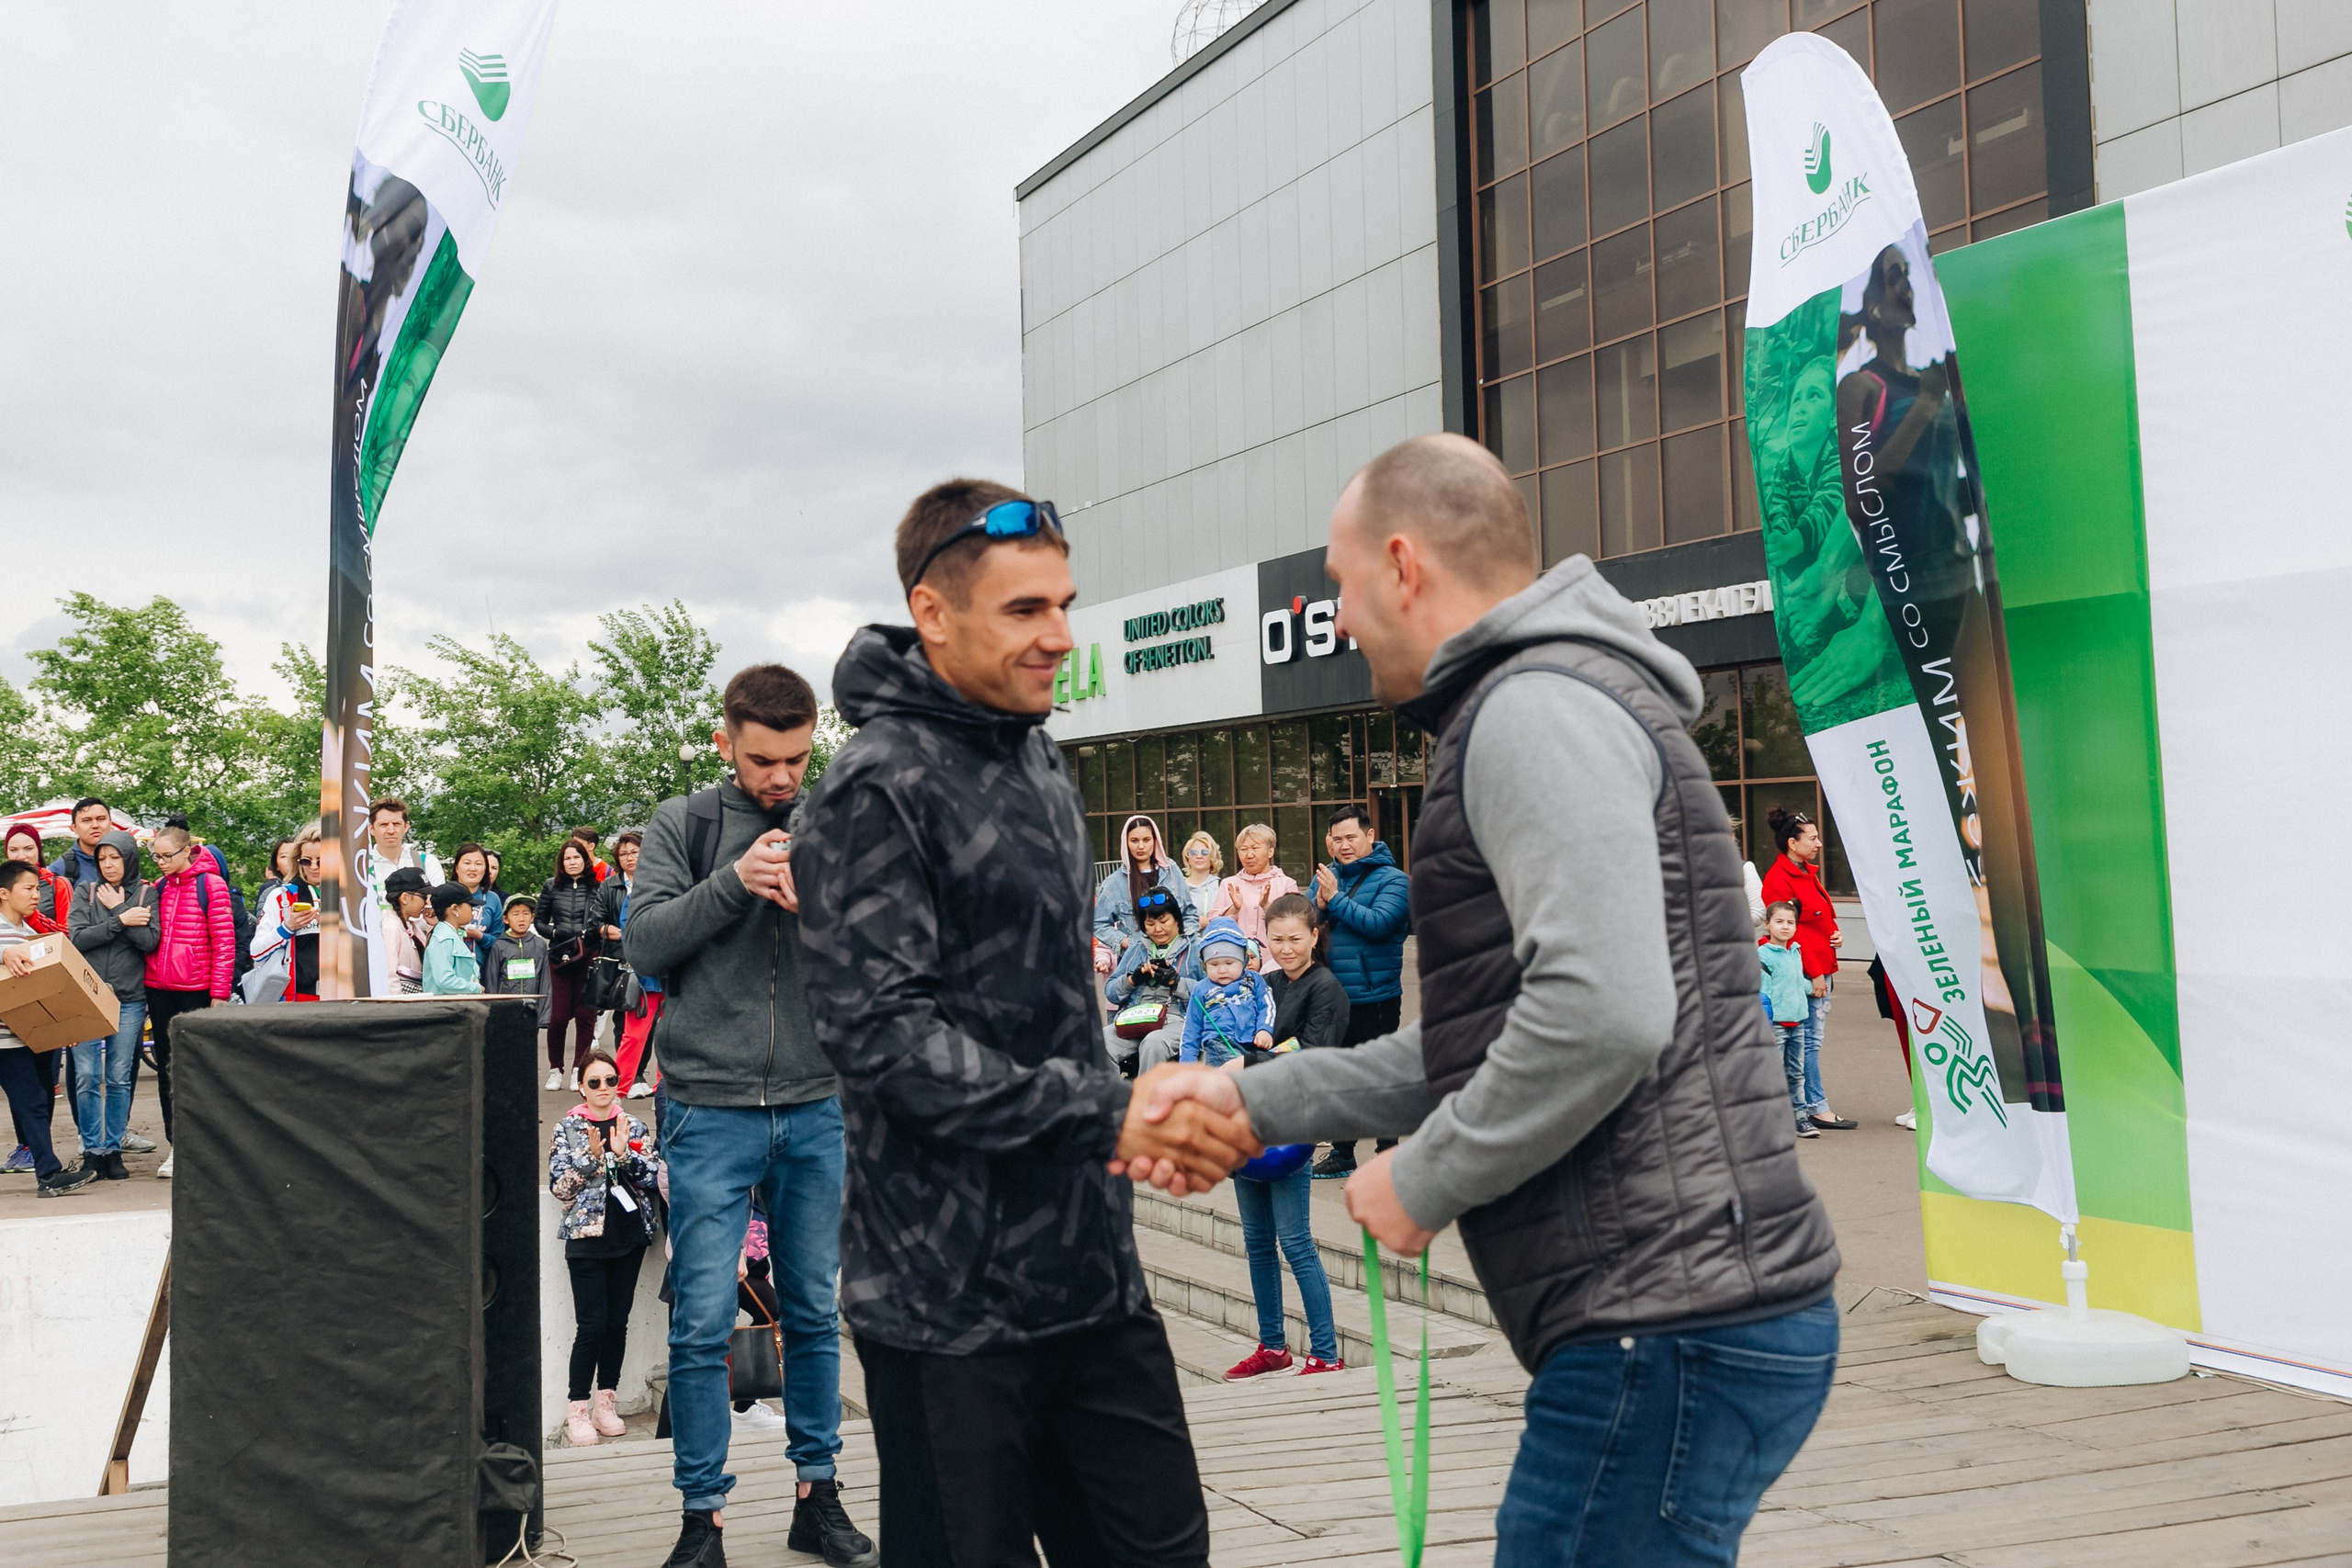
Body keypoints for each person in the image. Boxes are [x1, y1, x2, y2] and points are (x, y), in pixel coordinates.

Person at [1135, 434, 1840, 1566]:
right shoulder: (1541, 702)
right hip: (1679, 1312)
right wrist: (1251, 1099)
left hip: (1668, 1317)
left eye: (1341, 580)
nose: (1341, 616)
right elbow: (1485, 1043)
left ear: (1403, 566)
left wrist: (1426, 1175)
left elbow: (1602, 1013)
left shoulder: (1531, 711)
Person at [795, 479, 1241, 1568]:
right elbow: (887, 1043)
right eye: (1025, 611)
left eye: (1064, 604)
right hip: (946, 1308)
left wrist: (1121, 1127)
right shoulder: (872, 788)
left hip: (1091, 1277)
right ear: (934, 614)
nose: (1060, 637)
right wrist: (1115, 1114)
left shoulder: (1042, 759)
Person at [623, 661, 876, 1568]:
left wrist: (833, 910)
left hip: (815, 1104)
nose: (781, 777)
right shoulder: (683, 825)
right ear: (726, 744)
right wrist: (735, 881)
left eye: (798, 759)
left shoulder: (839, 821)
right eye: (764, 759)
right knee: (698, 1324)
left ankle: (820, 1497)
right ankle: (704, 1521)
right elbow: (646, 943)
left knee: (812, 1312)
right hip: (707, 1108)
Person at [1221, 893, 1346, 1383]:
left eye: (1296, 938)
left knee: (1295, 1242)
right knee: (1256, 1242)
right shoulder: (1263, 984)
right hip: (1248, 1126)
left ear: (1315, 936)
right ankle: (1273, 1346)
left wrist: (1247, 1061)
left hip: (1293, 1128)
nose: (1287, 948)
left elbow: (1315, 1054)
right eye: (1276, 939)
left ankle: (1326, 1352)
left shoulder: (1326, 989)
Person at [548, 1047, 657, 1449]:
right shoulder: (568, 1128)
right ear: (582, 1087)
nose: (603, 1088)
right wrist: (592, 1160)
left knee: (617, 1325)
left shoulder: (633, 1124)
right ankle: (577, 1407)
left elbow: (652, 1176)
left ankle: (605, 1403)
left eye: (610, 1080)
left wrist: (625, 1153)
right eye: (594, 1082)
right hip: (586, 1239)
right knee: (591, 1326)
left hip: (628, 1237)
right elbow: (560, 1187)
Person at [1307, 802, 1411, 1178]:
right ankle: (1342, 1153)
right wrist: (1318, 906)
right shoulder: (1325, 877)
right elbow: (1304, 927)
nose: (1344, 845)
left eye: (1351, 836)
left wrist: (1334, 900)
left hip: (1375, 996)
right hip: (1331, 996)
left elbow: (1381, 924)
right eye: (1337, 839)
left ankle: (1387, 1154)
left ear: (1370, 836)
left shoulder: (1395, 880)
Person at [0, 863, 98, 1198]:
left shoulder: (31, 935)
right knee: (32, 1102)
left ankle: (48, 1173)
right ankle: (49, 1173)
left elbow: (47, 990)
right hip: (3, 1040)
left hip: (26, 1037)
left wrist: (62, 1025)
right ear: (4, 894)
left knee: (37, 1100)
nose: (35, 895)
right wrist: (3, 952)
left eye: (37, 889)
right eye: (27, 888)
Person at [143, 824, 234, 1179]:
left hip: (196, 988)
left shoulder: (210, 884)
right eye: (157, 856)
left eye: (167, 856)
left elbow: (225, 941)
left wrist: (219, 993)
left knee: (197, 1068)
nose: (162, 863)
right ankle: (176, 1145)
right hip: (159, 987)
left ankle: (206, 1145)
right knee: (167, 1069)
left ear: (186, 851)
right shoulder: (160, 887)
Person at [67, 830, 157, 1179]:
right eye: (102, 858)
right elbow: (77, 940)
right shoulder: (85, 892)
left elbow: (149, 941)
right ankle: (93, 1149)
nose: (108, 864)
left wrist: (119, 907)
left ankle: (113, 1148)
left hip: (130, 998)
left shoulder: (147, 893)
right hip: (87, 996)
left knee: (119, 1077)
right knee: (87, 1075)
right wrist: (121, 920)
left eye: (115, 857)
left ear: (128, 858)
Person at [1758, 807, 1853, 1132]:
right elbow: (1787, 932)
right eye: (1812, 838)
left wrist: (1834, 935)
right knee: (1807, 1041)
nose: (1819, 844)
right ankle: (1814, 1107)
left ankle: (1803, 1104)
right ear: (1791, 843)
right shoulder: (1779, 879)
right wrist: (1813, 973)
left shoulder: (1804, 872)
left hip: (1819, 966)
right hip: (1806, 972)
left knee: (1809, 1041)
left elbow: (1815, 919)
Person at [1102, 887, 1200, 1078]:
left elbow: (1211, 993)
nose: (1158, 929)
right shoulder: (1137, 947)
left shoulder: (1195, 947)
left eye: (1164, 921)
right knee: (1100, 1041)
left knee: (1153, 1042)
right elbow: (1111, 992)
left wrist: (1176, 982)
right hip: (1137, 1018)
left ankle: (1147, 1103)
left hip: (1176, 1020)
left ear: (1177, 919)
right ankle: (1113, 1101)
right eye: (1150, 923)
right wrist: (1133, 979)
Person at [356, 799, 443, 998]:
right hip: (378, 948)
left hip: (420, 942)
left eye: (396, 824)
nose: (390, 830)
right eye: (383, 825)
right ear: (371, 829)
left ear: (406, 827)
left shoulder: (425, 861)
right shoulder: (362, 866)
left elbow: (438, 906)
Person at [537, 840, 602, 1091]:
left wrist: (590, 934)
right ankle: (556, 1069)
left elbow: (601, 919)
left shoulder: (598, 887)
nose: (572, 862)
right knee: (558, 1017)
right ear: (561, 862)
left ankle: (579, 1069)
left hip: (588, 954)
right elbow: (540, 921)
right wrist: (555, 931)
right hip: (561, 956)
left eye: (577, 857)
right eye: (567, 858)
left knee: (586, 1016)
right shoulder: (551, 886)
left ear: (585, 860)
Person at [1092, 813, 1197, 960]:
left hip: (1176, 958)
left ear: (1155, 841)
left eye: (1146, 840)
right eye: (1134, 840)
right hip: (1136, 962)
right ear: (1126, 843)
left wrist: (1185, 939)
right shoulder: (1114, 882)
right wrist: (1124, 941)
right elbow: (1098, 923)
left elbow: (1189, 912)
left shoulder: (1171, 871)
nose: (1141, 846)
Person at [1180, 918, 1273, 1066]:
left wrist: (1264, 1029)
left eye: (1229, 963)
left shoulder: (1254, 980)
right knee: (1235, 1077)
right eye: (1214, 964)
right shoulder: (1201, 989)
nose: (1222, 970)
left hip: (1253, 1042)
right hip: (1219, 1043)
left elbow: (1267, 1006)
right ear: (1204, 965)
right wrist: (1187, 1065)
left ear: (1243, 961)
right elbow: (1191, 1030)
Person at [1204, 823, 1298, 970]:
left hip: (1276, 963)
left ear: (1270, 851)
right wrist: (1234, 909)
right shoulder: (1228, 884)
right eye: (1243, 849)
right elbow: (1214, 927)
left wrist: (1268, 908)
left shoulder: (1286, 884)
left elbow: (1296, 925)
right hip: (1236, 964)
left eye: (1255, 848)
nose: (1249, 855)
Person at [1758, 901, 1816, 1138]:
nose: (1785, 927)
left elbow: (1794, 980)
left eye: (1790, 922)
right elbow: (1763, 994)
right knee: (1774, 1073)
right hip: (1777, 1025)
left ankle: (1799, 1117)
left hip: (1798, 1022)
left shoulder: (1795, 951)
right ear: (1767, 924)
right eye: (1779, 922)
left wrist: (1812, 987)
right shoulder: (1763, 955)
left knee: (1796, 1073)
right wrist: (1766, 1026)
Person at [252, 829, 326, 1003]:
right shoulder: (281, 897)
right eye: (306, 861)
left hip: (343, 996)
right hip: (297, 997)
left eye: (321, 861)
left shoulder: (350, 896)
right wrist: (287, 928)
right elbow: (256, 952)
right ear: (297, 862)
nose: (314, 867)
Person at [485, 896, 552, 1032]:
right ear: (506, 919)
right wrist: (493, 1012)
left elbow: (545, 981)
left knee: (529, 1049)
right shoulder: (499, 945)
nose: (521, 919)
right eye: (515, 914)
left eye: (526, 914)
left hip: (531, 1010)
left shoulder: (539, 945)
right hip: (505, 1011)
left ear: (532, 917)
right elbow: (491, 979)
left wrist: (544, 1016)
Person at [6, 823, 72, 931]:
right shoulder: (2, 885)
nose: (21, 856)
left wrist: (31, 915)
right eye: (14, 850)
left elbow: (70, 934)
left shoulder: (57, 884)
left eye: (28, 849)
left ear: (38, 850)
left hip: (47, 948)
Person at [378, 866, 431, 996]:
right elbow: (389, 974)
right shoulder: (390, 927)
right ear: (405, 898)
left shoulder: (412, 926)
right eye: (423, 897)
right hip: (401, 1007)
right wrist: (397, 1006)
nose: (427, 902)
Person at [424, 885, 485, 996]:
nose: (473, 909)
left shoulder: (452, 935)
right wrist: (475, 988)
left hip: (455, 1007)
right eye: (470, 905)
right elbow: (444, 980)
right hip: (445, 1009)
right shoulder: (442, 939)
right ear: (454, 908)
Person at [448, 843, 503, 969]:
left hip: (483, 968)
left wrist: (479, 936)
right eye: (467, 863)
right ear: (457, 868)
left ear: (485, 869)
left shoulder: (492, 899)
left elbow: (500, 941)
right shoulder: (444, 894)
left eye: (478, 864)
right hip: (449, 967)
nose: (472, 868)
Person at [47, 797, 113, 886]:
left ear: (110, 823)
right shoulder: (60, 869)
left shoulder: (125, 862)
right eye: (86, 820)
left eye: (101, 819)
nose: (95, 825)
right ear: (74, 828)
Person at [1176, 830, 1223, 919]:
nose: (1199, 856)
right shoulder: (1178, 888)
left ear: (1212, 857)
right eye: (1193, 852)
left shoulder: (1221, 886)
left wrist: (1209, 923)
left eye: (1204, 852)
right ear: (1187, 857)